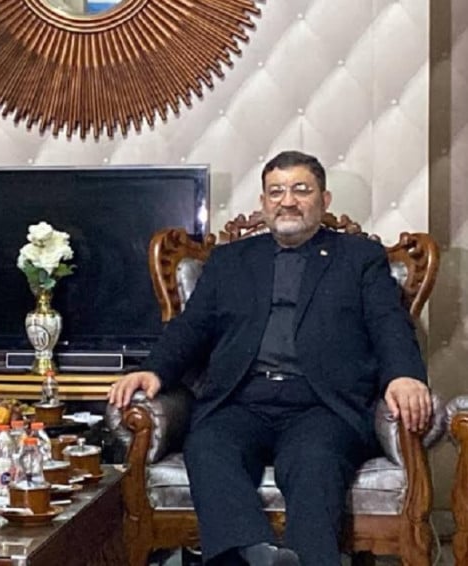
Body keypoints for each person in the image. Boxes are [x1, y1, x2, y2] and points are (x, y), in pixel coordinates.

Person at [107, 151, 431, 566]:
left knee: (314, 462)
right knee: (208, 447)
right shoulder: (230, 261)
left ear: (324, 199)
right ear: (263, 203)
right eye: (276, 192)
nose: (287, 201)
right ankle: (251, 555)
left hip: (322, 406)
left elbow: (389, 323)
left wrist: (404, 375)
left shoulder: (358, 258)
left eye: (301, 190)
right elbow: (191, 327)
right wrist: (153, 370)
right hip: (241, 401)